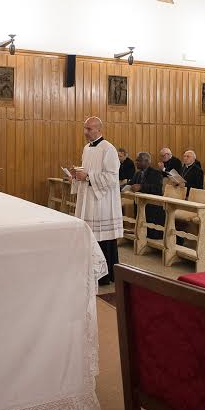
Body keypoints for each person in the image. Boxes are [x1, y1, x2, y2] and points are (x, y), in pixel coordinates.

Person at [70, 117, 123, 286]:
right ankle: (89, 270)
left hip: (102, 202)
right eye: (85, 128)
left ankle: (104, 276)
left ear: (99, 130)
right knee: (89, 235)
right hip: (88, 198)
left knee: (103, 237)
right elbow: (86, 171)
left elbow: (112, 177)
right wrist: (76, 175)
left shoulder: (109, 149)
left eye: (89, 129)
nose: (85, 132)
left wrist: (87, 177)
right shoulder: (86, 148)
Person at [128, 152, 165, 240]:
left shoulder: (156, 173)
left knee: (152, 235)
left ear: (147, 161)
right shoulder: (137, 173)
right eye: (136, 160)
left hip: (152, 207)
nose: (136, 162)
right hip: (139, 204)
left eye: (138, 160)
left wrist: (141, 187)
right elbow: (130, 184)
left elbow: (157, 189)